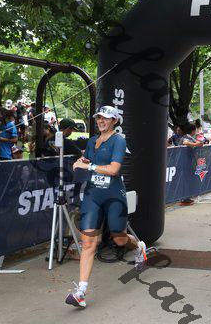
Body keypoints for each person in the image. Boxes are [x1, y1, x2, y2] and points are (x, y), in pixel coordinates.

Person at [66, 106, 147, 308]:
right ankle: (81, 292)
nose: (101, 121)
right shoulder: (92, 141)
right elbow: (89, 159)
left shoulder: (118, 140)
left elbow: (114, 169)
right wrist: (83, 160)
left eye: (106, 118)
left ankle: (139, 247)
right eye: (99, 118)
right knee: (88, 243)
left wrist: (89, 166)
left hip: (113, 195)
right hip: (93, 195)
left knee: (119, 239)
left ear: (114, 121)